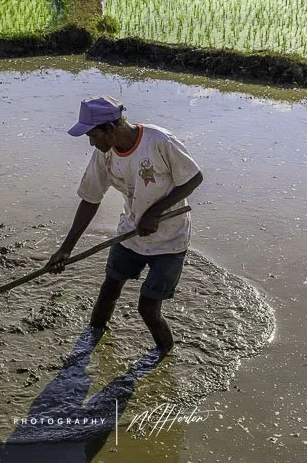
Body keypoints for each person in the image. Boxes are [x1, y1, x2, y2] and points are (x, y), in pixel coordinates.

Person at [47, 96, 204, 357]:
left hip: (169, 238)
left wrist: (155, 211)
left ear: (111, 128)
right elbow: (90, 199)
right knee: (109, 289)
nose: (91, 142)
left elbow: (194, 178)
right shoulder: (104, 155)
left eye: (94, 135)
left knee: (148, 307)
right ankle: (89, 345)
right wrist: (66, 249)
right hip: (131, 232)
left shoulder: (159, 141)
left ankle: (165, 354)